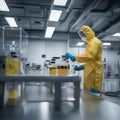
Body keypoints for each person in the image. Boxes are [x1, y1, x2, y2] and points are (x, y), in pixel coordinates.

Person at [65, 25, 103, 95]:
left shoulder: (94, 42)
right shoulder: (91, 42)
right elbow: (92, 61)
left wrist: (74, 57)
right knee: (89, 96)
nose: (82, 37)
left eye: (82, 35)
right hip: (92, 70)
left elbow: (89, 56)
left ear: (87, 33)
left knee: (93, 98)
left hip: (94, 74)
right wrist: (82, 67)